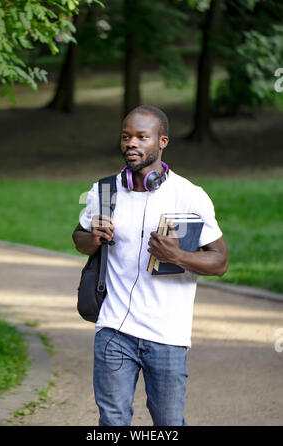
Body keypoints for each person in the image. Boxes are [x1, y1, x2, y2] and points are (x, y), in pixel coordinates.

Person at [72, 105, 228, 426]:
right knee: (112, 421)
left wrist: (178, 256)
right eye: (126, 136)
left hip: (167, 334)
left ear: (162, 142)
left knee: (168, 422)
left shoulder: (189, 196)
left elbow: (220, 261)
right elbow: (79, 238)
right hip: (114, 330)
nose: (132, 143)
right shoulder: (104, 191)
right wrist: (93, 237)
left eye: (142, 137)